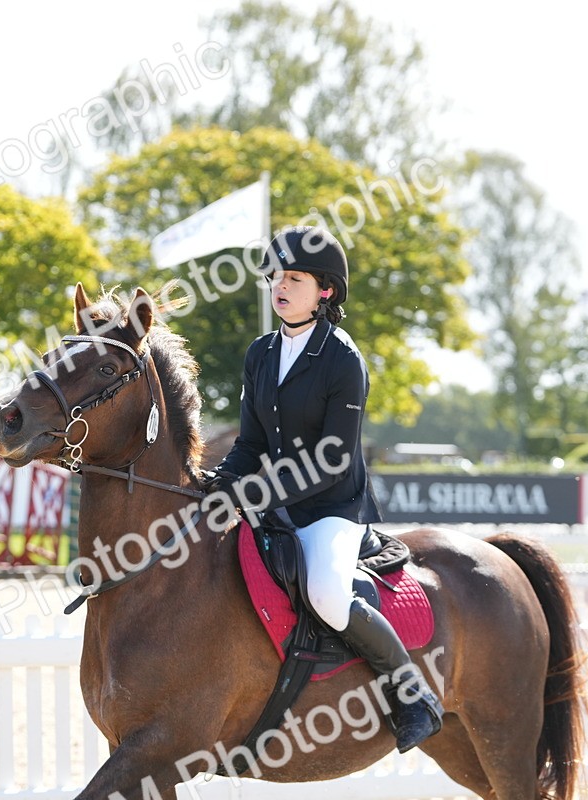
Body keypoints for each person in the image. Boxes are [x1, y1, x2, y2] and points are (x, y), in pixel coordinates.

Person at [204, 226, 443, 753]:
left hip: (331, 508)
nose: (279, 287)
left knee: (327, 595)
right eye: (276, 278)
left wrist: (256, 493)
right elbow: (250, 443)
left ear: (325, 291)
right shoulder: (261, 353)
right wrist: (220, 483)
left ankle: (411, 692)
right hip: (270, 502)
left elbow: (333, 461)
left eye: (294, 278)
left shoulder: (342, 358)